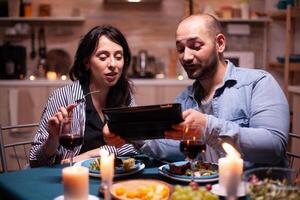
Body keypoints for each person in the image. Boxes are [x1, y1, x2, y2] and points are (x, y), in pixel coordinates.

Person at [103, 14, 290, 169]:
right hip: (205, 188)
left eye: (195, 46)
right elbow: (174, 148)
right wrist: (131, 136)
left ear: (220, 44)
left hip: (254, 189)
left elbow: (273, 146)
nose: (186, 56)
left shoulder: (258, 83)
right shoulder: (186, 98)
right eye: (180, 49)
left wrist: (207, 127)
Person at [29, 25, 138, 167]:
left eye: (118, 57)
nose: (113, 64)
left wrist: (92, 154)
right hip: (67, 178)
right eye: (103, 57)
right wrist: (53, 138)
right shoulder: (64, 97)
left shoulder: (125, 95)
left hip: (111, 176)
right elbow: (36, 160)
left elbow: (136, 145)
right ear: (87, 62)